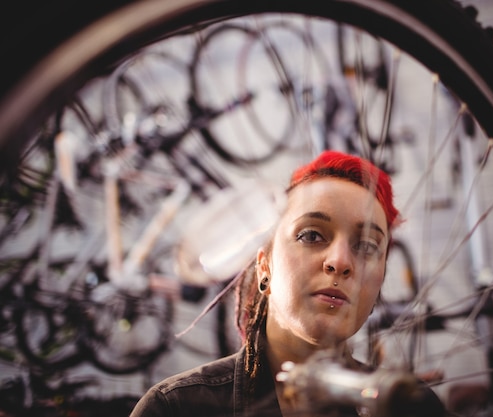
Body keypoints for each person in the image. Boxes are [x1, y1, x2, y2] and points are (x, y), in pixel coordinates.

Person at [129, 150, 444, 417]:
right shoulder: (176, 408)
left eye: (366, 246)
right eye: (311, 235)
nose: (340, 262)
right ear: (264, 263)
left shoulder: (413, 407)